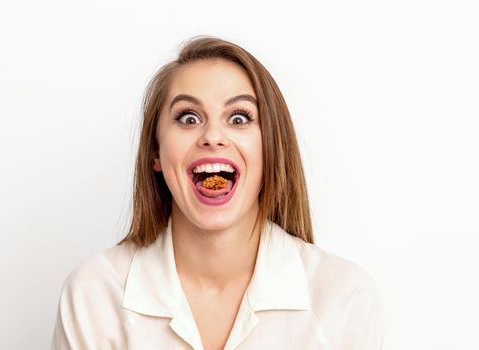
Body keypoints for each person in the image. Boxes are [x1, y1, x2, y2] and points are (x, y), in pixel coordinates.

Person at [50, 36, 384, 350]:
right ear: (156, 152)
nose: (212, 136)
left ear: (271, 149)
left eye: (239, 118)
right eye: (188, 118)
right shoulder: (94, 294)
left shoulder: (344, 295)